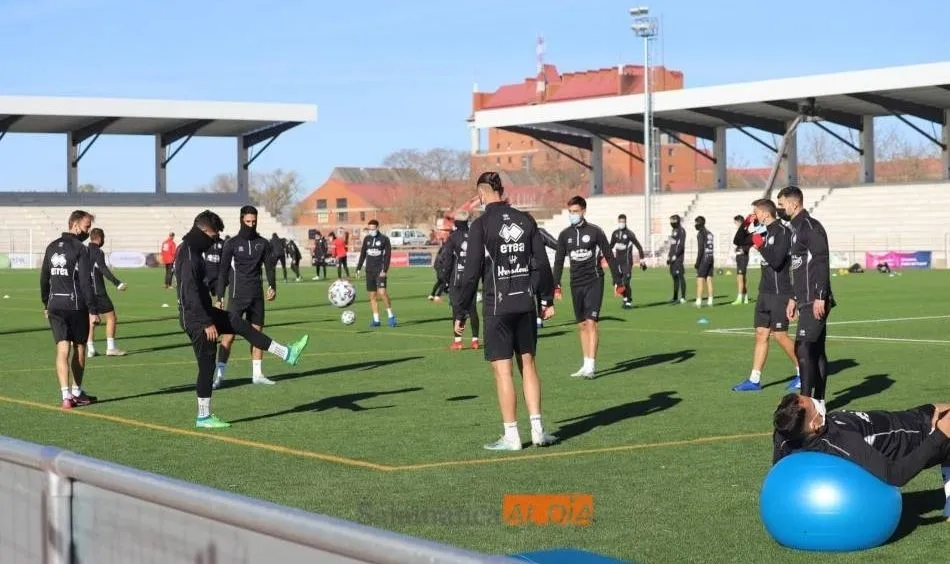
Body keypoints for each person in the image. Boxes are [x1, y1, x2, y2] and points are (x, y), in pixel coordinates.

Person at [176, 210, 309, 428]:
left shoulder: (191, 250)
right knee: (206, 366)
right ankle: (204, 416)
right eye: (213, 235)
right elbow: (188, 293)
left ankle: (287, 353)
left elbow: (199, 285)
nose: (215, 240)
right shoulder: (189, 254)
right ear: (203, 230)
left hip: (203, 312)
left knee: (238, 324)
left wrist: (213, 290)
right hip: (197, 318)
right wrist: (207, 323)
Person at [455, 171, 557, 451]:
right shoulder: (525, 219)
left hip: (497, 307)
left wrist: (461, 311)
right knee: (529, 366)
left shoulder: (481, 225)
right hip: (525, 305)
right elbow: (543, 264)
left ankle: (512, 436)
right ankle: (538, 430)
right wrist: (546, 300)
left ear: (483, 195)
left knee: (503, 372)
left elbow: (471, 272)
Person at [772, 394, 950, 510]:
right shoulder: (841, 441)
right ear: (815, 426)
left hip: (911, 417)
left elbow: (779, 475)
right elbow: (895, 475)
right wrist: (941, 434)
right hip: (923, 431)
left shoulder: (784, 433)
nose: (817, 401)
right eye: (814, 405)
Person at [730, 200, 800, 392]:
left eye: (755, 212)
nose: (754, 215)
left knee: (780, 335)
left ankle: (803, 372)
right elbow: (738, 241)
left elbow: (777, 261)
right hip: (765, 291)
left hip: (780, 292)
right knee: (761, 334)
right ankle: (754, 380)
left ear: (764, 213)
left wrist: (760, 247)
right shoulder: (762, 231)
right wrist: (746, 223)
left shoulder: (783, 232)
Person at [552, 196, 623, 379]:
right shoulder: (564, 235)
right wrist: (556, 285)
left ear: (583, 211)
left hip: (594, 281)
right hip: (575, 283)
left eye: (575, 211)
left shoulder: (595, 232)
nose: (572, 215)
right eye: (570, 212)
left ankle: (591, 366)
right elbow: (558, 262)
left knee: (591, 322)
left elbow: (609, 255)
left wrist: (618, 281)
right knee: (582, 325)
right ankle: (584, 365)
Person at [777, 185, 835, 404]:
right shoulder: (795, 229)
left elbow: (821, 260)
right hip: (804, 299)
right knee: (816, 350)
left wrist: (821, 295)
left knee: (803, 348)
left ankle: (806, 402)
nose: (780, 208)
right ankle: (818, 403)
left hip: (815, 299)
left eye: (782, 204)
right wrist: (793, 296)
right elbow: (798, 268)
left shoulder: (810, 226)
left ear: (794, 203)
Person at [40, 210, 100, 408]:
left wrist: (45, 304)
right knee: (79, 347)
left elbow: (43, 279)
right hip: (75, 305)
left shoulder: (50, 247)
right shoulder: (79, 249)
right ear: (75, 225)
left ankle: (66, 396)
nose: (88, 231)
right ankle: (76, 392)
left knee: (62, 348)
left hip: (54, 305)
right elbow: (85, 282)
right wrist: (93, 310)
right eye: (86, 226)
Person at [214, 205, 278, 388]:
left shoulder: (263, 243)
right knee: (228, 337)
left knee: (257, 335)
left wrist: (272, 287)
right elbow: (223, 271)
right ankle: (219, 376)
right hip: (236, 296)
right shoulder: (231, 244)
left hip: (256, 296)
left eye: (254, 221)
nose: (251, 224)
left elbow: (270, 268)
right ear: (242, 220)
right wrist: (219, 296)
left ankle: (257, 374)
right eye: (248, 221)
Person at [86, 228, 128, 357]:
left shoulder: (83, 250)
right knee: (111, 317)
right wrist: (117, 283)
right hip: (98, 291)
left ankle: (91, 349)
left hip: (86, 291)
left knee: (91, 319)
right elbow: (103, 268)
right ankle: (111, 348)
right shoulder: (98, 251)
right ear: (100, 238)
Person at [445, 213, 479, 350]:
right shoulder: (475, 236)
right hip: (472, 278)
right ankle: (475, 340)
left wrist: (445, 279)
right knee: (472, 309)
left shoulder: (453, 237)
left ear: (457, 222)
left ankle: (458, 341)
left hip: (457, 278)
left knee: (457, 308)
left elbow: (447, 259)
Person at [355, 219, 396, 328]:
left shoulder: (384, 239)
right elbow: (363, 254)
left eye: (373, 229)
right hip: (369, 271)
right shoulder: (367, 239)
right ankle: (376, 320)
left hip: (380, 271)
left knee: (382, 292)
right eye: (369, 229)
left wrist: (385, 270)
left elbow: (387, 256)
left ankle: (391, 316)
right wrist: (358, 268)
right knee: (372, 296)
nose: (371, 231)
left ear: (377, 228)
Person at [609, 213, 646, 309]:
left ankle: (628, 301)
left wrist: (642, 260)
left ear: (626, 222)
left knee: (626, 281)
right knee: (618, 282)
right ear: (618, 222)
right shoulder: (615, 233)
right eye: (620, 221)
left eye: (623, 222)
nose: (621, 223)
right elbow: (610, 246)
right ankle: (625, 298)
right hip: (618, 262)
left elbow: (639, 247)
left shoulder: (629, 234)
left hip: (627, 262)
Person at [731, 214, 751, 305]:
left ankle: (739, 298)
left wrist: (744, 249)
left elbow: (749, 242)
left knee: (740, 277)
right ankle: (745, 297)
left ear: (740, 222)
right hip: (740, 257)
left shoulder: (744, 231)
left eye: (736, 222)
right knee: (743, 278)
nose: (735, 224)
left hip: (743, 257)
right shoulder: (741, 232)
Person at [667, 214, 686, 304]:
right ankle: (675, 297)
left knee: (680, 276)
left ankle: (683, 297)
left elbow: (681, 245)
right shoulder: (673, 230)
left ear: (677, 221)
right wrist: (669, 255)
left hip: (678, 258)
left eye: (673, 221)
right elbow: (672, 245)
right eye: (671, 221)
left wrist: (676, 255)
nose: (672, 223)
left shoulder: (681, 231)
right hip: (672, 257)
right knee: (674, 277)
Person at [203, 231, 225, 299]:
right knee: (204, 297)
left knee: (220, 298)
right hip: (207, 275)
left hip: (219, 275)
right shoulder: (204, 242)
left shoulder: (222, 242)